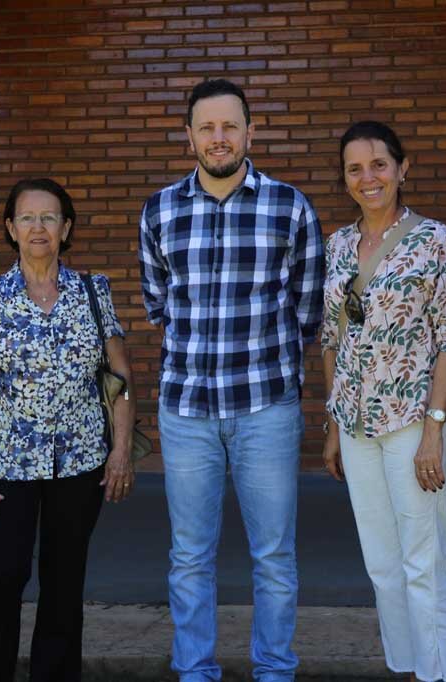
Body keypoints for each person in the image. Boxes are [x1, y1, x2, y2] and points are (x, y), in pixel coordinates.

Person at [138, 78, 324, 681]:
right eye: (206, 127)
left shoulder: (291, 207)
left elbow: (307, 309)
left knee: (273, 555)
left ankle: (274, 671)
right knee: (190, 557)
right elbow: (159, 305)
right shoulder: (160, 210)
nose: (219, 138)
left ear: (250, 131)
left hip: (266, 407)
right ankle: (195, 671)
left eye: (230, 126)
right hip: (187, 410)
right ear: (188, 135)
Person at [0, 178, 135, 682]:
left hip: (80, 464)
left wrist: (120, 450)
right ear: (11, 229)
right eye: (28, 218)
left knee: (63, 582)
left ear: (66, 227)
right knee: (2, 575)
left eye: (50, 217)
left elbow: (118, 377)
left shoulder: (93, 292)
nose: (39, 227)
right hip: (7, 465)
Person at [321, 121, 446, 682]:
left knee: (423, 565)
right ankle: (407, 670)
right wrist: (334, 425)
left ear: (402, 169)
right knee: (382, 566)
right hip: (356, 425)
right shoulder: (338, 244)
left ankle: (440, 676)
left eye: (379, 164)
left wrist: (434, 429)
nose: (368, 177)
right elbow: (333, 339)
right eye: (355, 168)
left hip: (413, 422)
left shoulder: (435, 240)